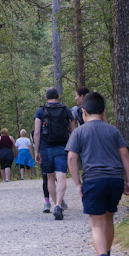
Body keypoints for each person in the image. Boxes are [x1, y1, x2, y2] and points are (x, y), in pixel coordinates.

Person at [66, 92, 129, 256]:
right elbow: (125, 156)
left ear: (83, 112)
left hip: (94, 180)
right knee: (109, 218)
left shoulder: (79, 132)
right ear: (104, 111)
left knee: (96, 223)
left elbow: (71, 158)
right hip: (114, 180)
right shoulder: (113, 131)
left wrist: (77, 183)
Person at [33, 87, 75, 220]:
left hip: (46, 147)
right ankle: (58, 205)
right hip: (62, 146)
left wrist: (36, 150)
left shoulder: (41, 111)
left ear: (46, 97)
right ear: (58, 96)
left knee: (50, 178)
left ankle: (56, 204)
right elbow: (72, 128)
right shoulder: (65, 109)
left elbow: (37, 132)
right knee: (61, 177)